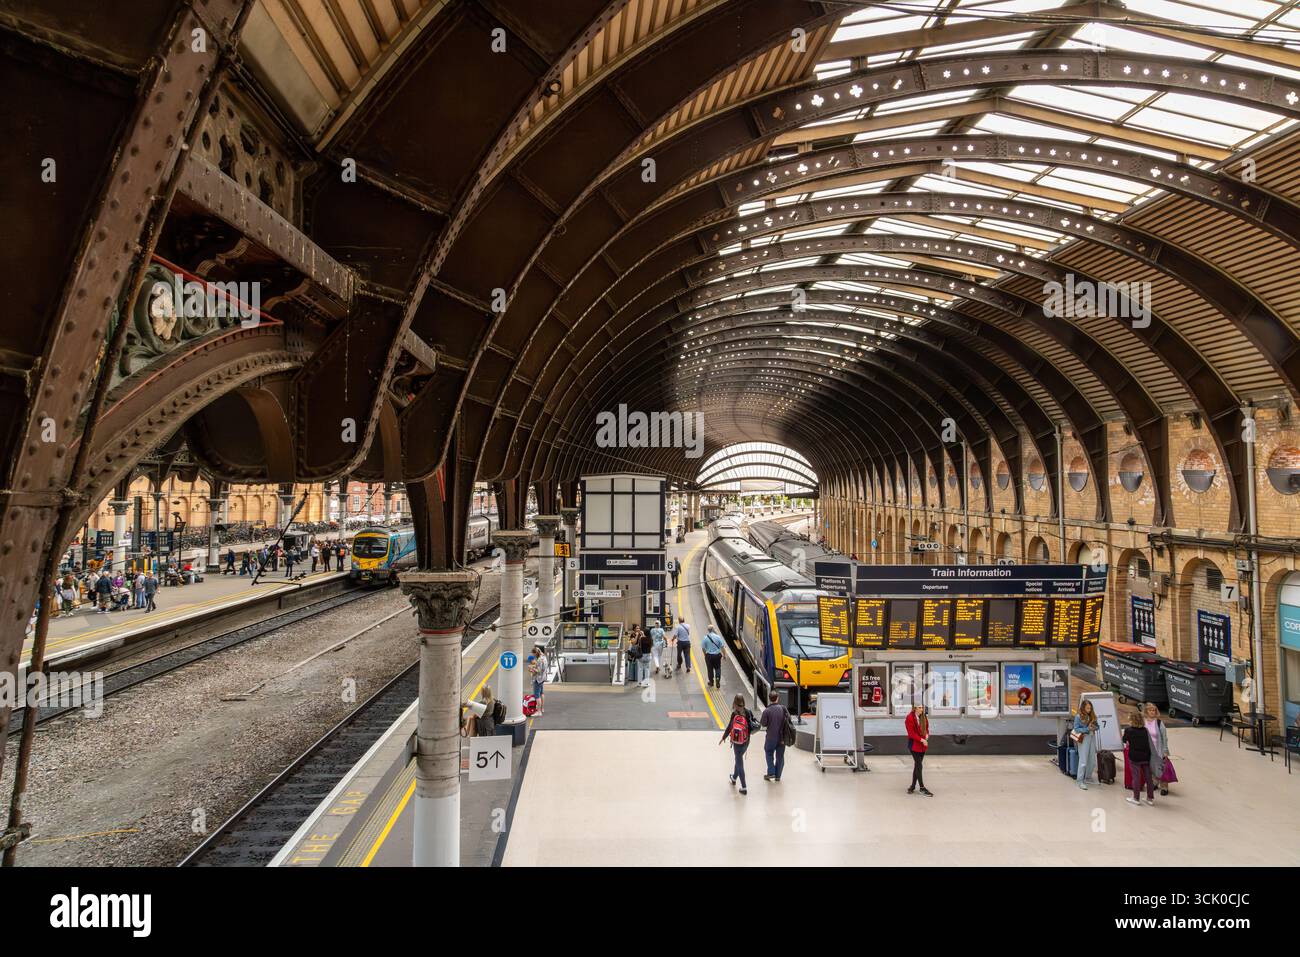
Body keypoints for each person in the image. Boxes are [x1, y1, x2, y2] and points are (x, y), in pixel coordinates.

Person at [718, 694, 757, 795]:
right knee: (738, 759)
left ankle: (744, 787)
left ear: (734, 703)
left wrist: (723, 737)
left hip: (736, 743)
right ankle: (734, 778)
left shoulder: (734, 714)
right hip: (746, 741)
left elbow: (730, 727)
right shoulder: (748, 712)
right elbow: (752, 725)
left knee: (739, 763)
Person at [1123, 711, 1156, 806]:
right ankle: (1150, 798)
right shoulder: (1145, 730)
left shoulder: (1129, 730)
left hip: (1135, 757)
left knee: (1136, 777)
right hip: (1146, 756)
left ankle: (1136, 798)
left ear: (1132, 720)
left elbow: (1124, 740)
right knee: (1148, 778)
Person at [1143, 701, 1174, 797]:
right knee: (1151, 767)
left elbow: (1164, 737)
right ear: (1146, 711)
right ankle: (1155, 783)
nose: (1152, 712)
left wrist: (1165, 751)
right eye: (1150, 710)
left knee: (1161, 768)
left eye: (1154, 710)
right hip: (1148, 750)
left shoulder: (1159, 723)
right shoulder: (1143, 722)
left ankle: (1164, 787)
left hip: (1158, 749)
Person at [759, 691, 789, 782]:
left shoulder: (767, 711)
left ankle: (771, 772)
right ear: (777, 698)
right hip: (782, 738)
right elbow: (789, 719)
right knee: (780, 756)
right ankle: (778, 776)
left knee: (769, 753)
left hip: (771, 738)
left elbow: (763, 724)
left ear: (769, 699)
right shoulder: (783, 709)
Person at [905, 703, 933, 796]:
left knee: (917, 765)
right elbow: (911, 734)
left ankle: (912, 786)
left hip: (922, 745)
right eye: (919, 708)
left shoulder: (923, 717)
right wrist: (922, 740)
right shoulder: (909, 718)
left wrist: (927, 736)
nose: (921, 709)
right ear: (915, 709)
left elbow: (927, 728)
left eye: (922, 707)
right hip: (914, 746)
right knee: (919, 765)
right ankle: (922, 788)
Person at [1073, 699, 1099, 790]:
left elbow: (1098, 726)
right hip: (1084, 739)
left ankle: (1088, 777)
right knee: (1083, 760)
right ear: (1083, 708)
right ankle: (1080, 780)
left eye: (1090, 708)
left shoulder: (1092, 715)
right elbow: (1076, 729)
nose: (1089, 710)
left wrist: (1095, 727)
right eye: (1087, 708)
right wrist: (1087, 729)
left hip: (1092, 738)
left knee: (1092, 760)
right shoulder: (1078, 717)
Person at [701, 624, 725, 689]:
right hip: (717, 656)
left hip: (709, 656)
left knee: (710, 669)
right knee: (717, 668)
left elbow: (703, 648)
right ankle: (717, 679)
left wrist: (705, 655)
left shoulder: (705, 638)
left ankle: (711, 682)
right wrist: (724, 655)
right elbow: (722, 647)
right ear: (713, 629)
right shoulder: (718, 637)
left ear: (708, 630)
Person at [529, 644, 548, 715]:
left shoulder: (540, 659)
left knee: (537, 695)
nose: (533, 656)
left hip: (538, 679)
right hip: (543, 678)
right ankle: (542, 708)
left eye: (533, 654)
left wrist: (532, 669)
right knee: (541, 693)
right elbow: (543, 668)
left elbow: (539, 670)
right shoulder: (544, 657)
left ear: (535, 653)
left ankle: (539, 711)